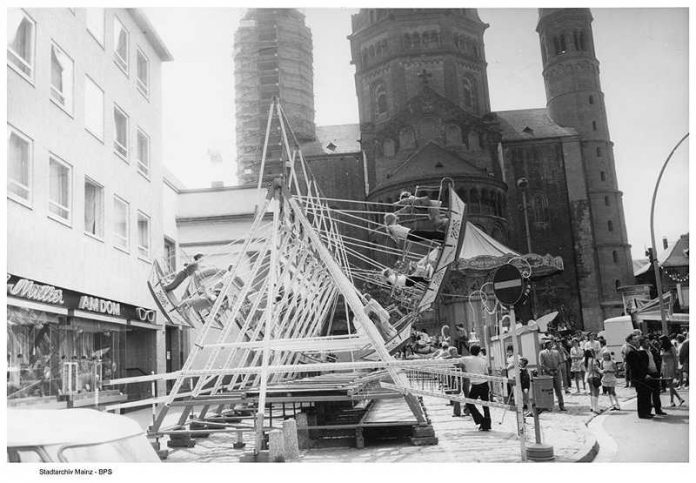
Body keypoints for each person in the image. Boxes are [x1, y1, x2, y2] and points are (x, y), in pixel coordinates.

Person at [624, 334, 655, 419]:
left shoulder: (633, 349)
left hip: (640, 376)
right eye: (634, 339)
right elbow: (635, 366)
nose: (636, 341)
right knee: (642, 395)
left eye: (636, 339)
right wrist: (644, 375)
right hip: (638, 377)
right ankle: (643, 413)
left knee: (645, 394)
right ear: (629, 340)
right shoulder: (630, 350)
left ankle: (646, 412)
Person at [462, 345, 491, 430]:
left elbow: (455, 360)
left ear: (470, 351)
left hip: (475, 385)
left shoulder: (466, 359)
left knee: (469, 403)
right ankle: (487, 424)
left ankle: (481, 420)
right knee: (486, 405)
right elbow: (486, 373)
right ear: (479, 352)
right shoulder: (483, 360)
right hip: (484, 384)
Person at [640, 336, 666, 417]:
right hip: (648, 374)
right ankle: (648, 411)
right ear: (642, 343)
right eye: (646, 342)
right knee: (648, 394)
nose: (648, 343)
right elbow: (642, 365)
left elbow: (656, 359)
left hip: (655, 372)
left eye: (648, 341)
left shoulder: (650, 351)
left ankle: (658, 410)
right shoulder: (641, 351)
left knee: (656, 392)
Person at [538, 339, 566, 411]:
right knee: (548, 390)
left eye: (550, 344)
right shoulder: (542, 353)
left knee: (558, 390)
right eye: (548, 344)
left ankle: (561, 405)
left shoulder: (556, 352)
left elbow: (561, 362)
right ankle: (548, 405)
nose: (550, 345)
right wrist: (549, 370)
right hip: (547, 374)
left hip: (556, 373)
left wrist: (557, 369)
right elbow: (542, 364)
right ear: (545, 345)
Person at [659, 335, 685, 407]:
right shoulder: (662, 348)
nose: (659, 342)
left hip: (671, 367)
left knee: (670, 385)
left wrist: (676, 369)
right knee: (670, 385)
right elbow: (662, 360)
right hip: (665, 367)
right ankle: (679, 399)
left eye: (661, 340)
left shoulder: (671, 347)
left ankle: (672, 401)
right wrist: (661, 369)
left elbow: (675, 358)